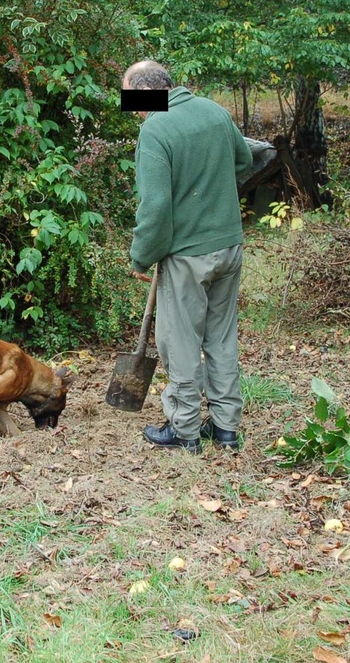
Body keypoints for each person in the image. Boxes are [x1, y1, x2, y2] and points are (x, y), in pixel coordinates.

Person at [124, 60, 253, 454]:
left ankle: (184, 432)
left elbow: (156, 206)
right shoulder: (214, 111)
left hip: (189, 256)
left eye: (130, 97)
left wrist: (141, 257)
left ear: (146, 92)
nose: (133, 109)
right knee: (221, 339)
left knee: (179, 342)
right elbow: (245, 161)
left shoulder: (156, 127)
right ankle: (226, 428)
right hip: (230, 248)